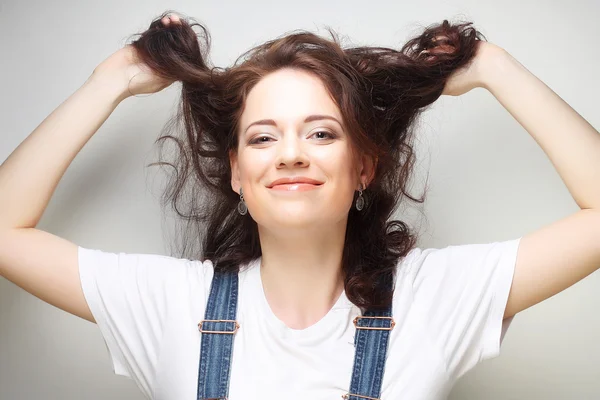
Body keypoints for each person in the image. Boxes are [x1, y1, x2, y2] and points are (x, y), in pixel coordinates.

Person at [1, 10, 599, 400]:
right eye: (263, 136)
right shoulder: (168, 303)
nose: (290, 154)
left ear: (363, 167)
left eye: (321, 133)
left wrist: (494, 67)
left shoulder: (433, 296)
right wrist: (114, 78)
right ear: (237, 173)